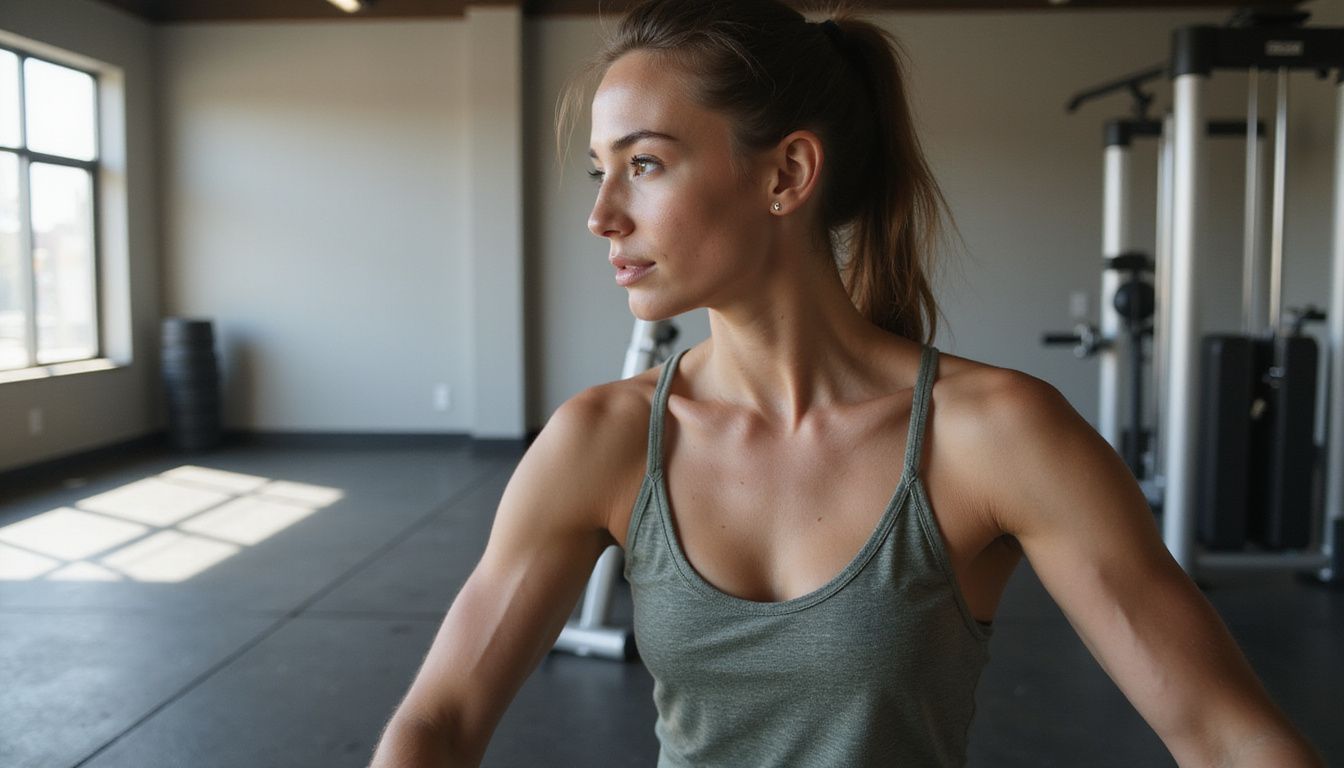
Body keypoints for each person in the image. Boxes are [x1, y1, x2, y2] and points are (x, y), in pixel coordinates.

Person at [369, 1, 1324, 765]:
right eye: (599, 172)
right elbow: (439, 721)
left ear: (787, 173)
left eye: (645, 164)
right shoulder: (603, 441)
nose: (603, 216)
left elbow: (1227, 735)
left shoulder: (994, 436)